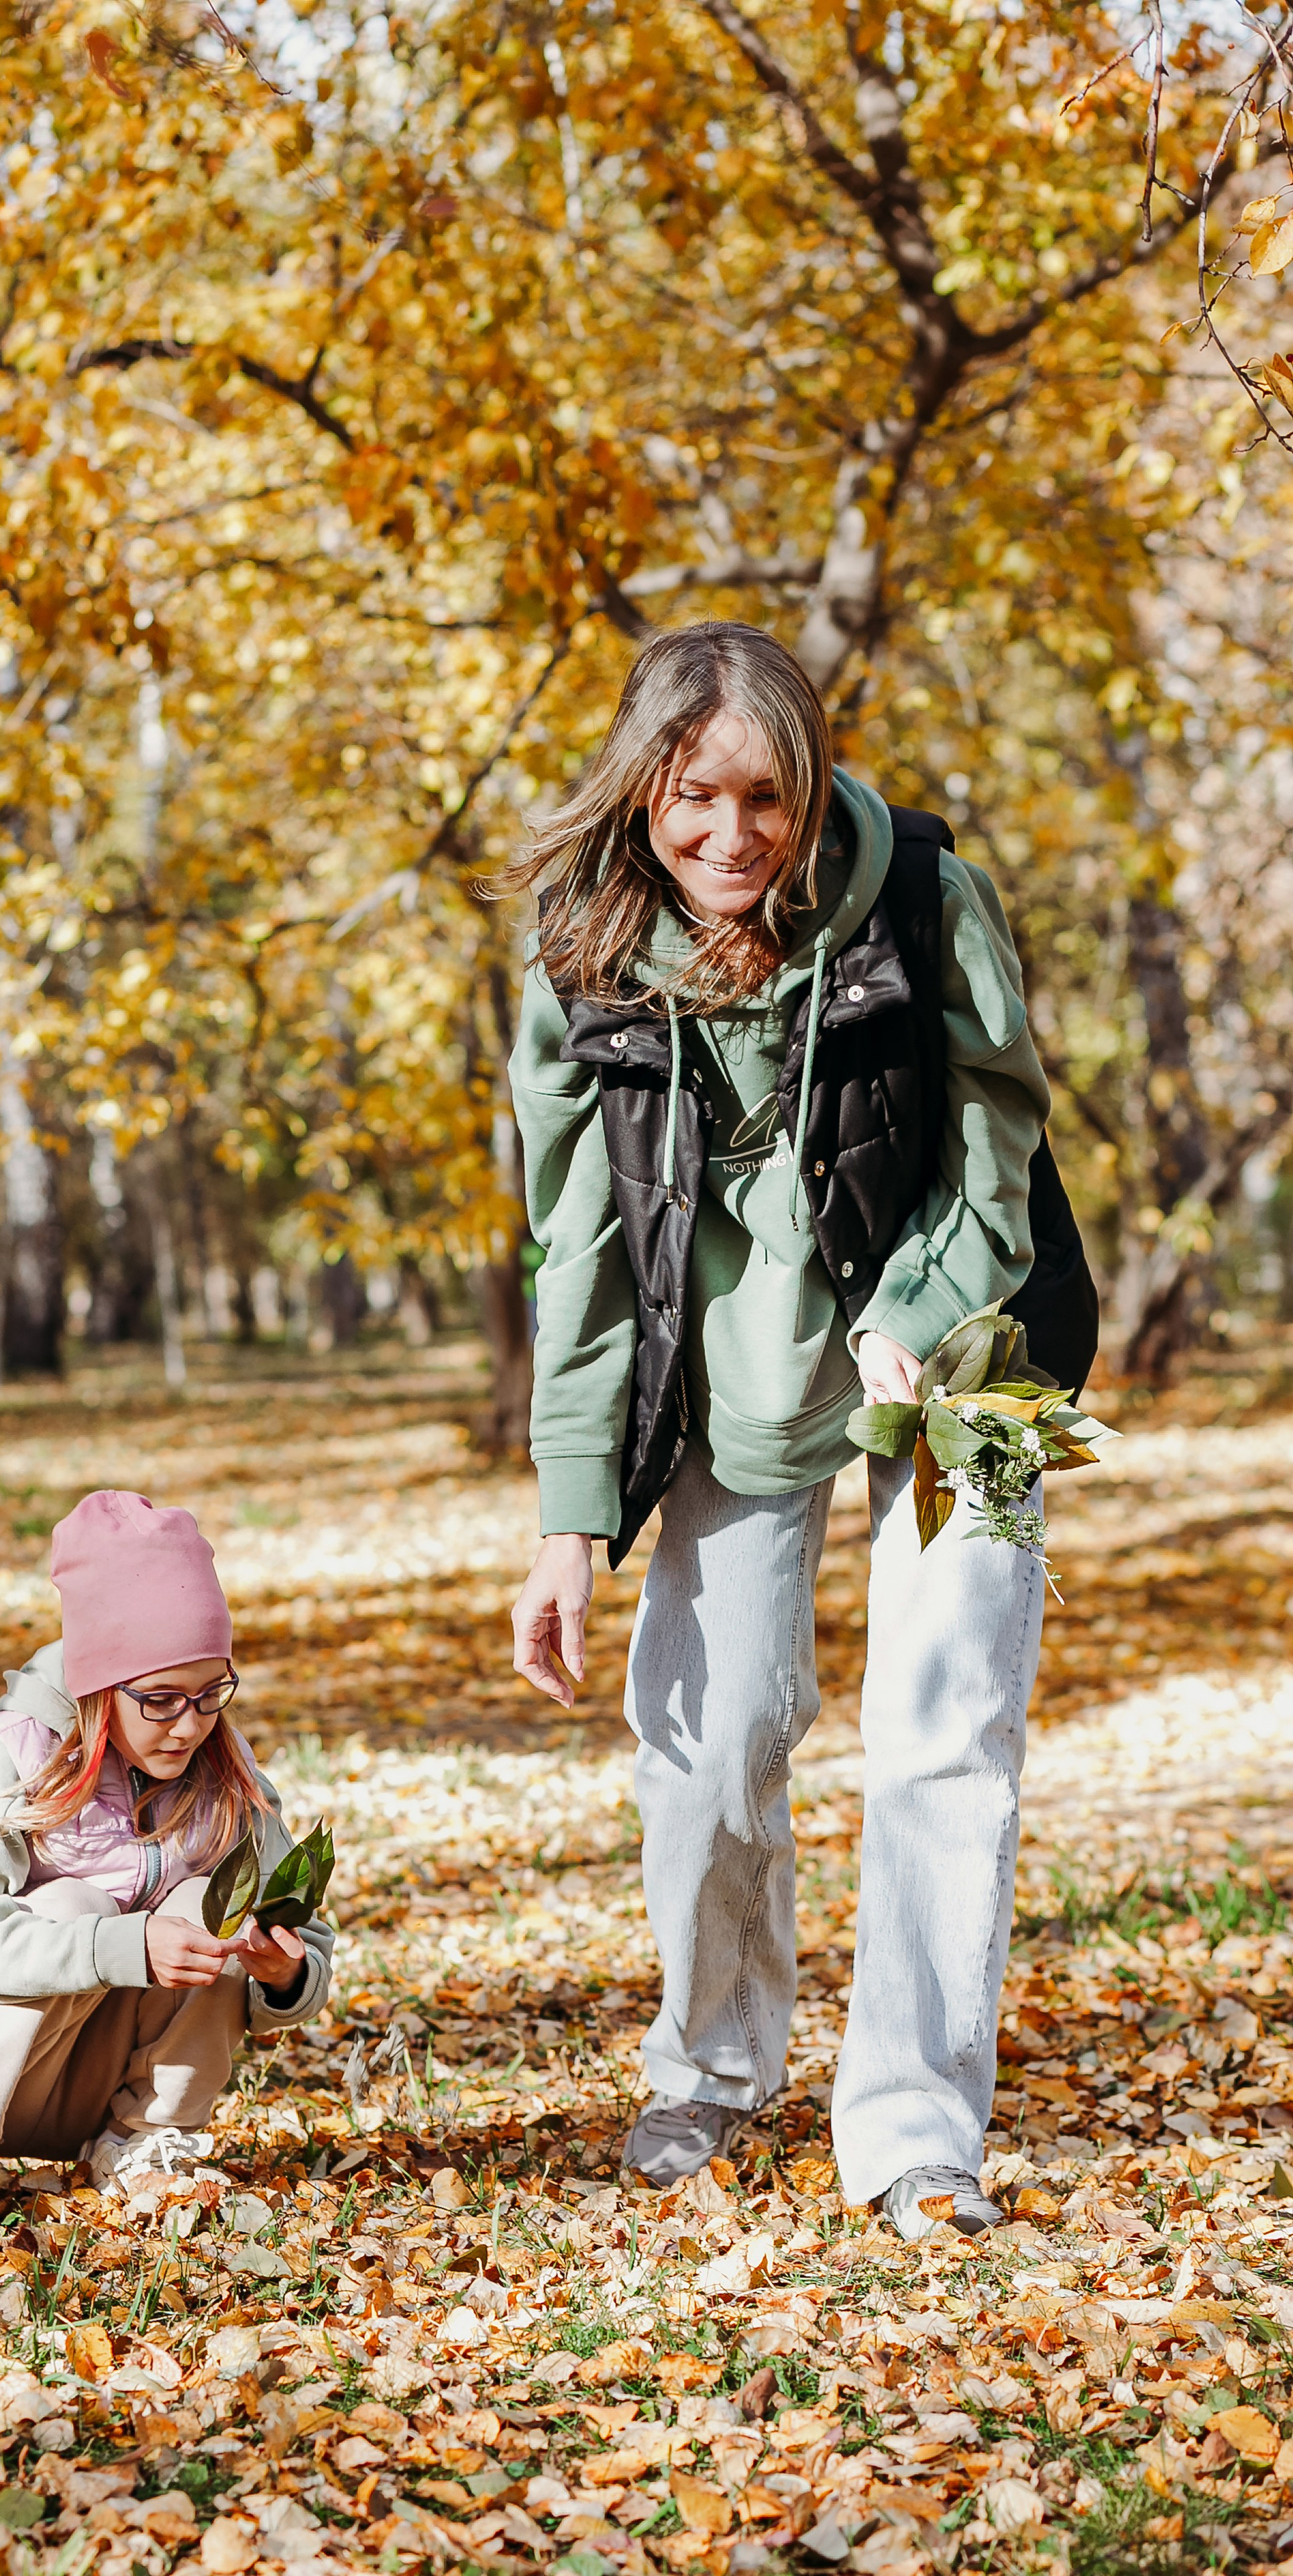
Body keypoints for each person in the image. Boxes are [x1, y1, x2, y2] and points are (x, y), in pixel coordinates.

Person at [503, 621, 1052, 2241]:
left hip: (977, 1349)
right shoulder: (582, 948)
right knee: (711, 1730)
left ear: (809, 787)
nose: (729, 839)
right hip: (730, 1365)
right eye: (690, 801)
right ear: (637, 794)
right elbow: (579, 1244)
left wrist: (921, 1300)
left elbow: (998, 1129)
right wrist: (566, 1513)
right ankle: (708, 2060)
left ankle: (914, 2125)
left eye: (765, 798)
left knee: (947, 1728)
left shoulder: (924, 891)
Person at [0, 1490, 334, 2235]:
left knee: (211, 1904)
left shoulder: (226, 1774)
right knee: (75, 1906)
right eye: (162, 1699)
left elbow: (308, 1947)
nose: (190, 1725)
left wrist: (285, 1975)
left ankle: (148, 2147)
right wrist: (122, 1945)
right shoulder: (17, 1758)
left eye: (212, 1694)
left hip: (108, 2083)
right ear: (102, 1686)